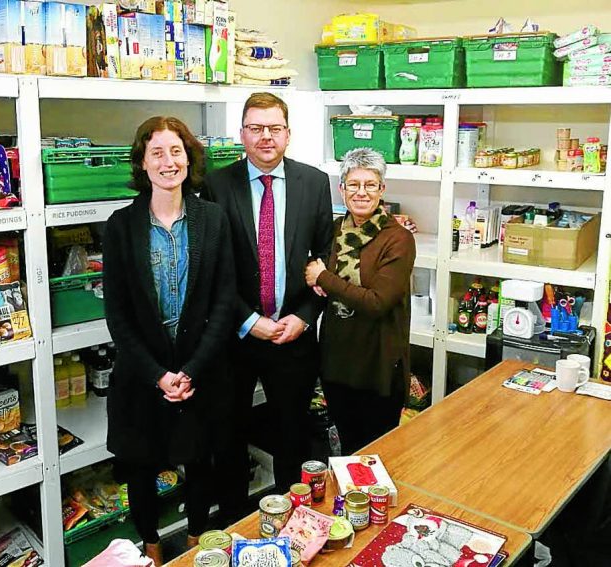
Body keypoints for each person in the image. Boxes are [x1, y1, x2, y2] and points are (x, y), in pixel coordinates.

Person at [103, 116, 235, 564]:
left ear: (189, 157)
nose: (167, 161)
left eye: (175, 150)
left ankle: (197, 541)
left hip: (199, 369)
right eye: (156, 152)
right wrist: (158, 374)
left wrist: (192, 369)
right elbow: (117, 316)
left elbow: (223, 301)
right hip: (143, 374)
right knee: (140, 468)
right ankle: (152, 549)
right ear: (142, 162)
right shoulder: (121, 226)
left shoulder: (212, 219)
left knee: (200, 462)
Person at [202, 92, 333, 521]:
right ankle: (237, 520)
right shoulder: (216, 185)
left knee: (291, 434)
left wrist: (305, 318)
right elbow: (211, 269)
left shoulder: (313, 182)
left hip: (293, 332)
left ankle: (292, 520)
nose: (265, 137)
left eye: (274, 128)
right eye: (255, 128)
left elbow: (324, 260)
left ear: (288, 134)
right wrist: (246, 321)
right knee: (228, 433)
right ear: (241, 133)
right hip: (234, 337)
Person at [305, 147, 416, 455]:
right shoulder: (336, 230)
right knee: (346, 451)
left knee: (376, 455)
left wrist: (324, 278)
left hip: (377, 367)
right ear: (341, 189)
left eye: (370, 184)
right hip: (338, 363)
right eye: (353, 184)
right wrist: (318, 281)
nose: (361, 192)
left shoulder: (398, 239)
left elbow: (378, 301)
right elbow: (316, 269)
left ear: (382, 189)